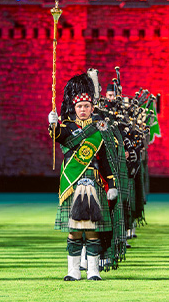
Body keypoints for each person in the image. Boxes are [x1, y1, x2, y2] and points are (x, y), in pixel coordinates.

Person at [48, 73, 123, 281]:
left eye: (86, 106)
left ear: (92, 108)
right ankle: (72, 271)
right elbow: (57, 136)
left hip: (95, 181)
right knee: (73, 231)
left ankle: (93, 270)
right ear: (75, 108)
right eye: (79, 106)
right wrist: (53, 124)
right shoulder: (67, 126)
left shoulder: (100, 129)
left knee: (92, 231)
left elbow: (107, 159)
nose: (83, 110)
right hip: (72, 183)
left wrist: (113, 184)